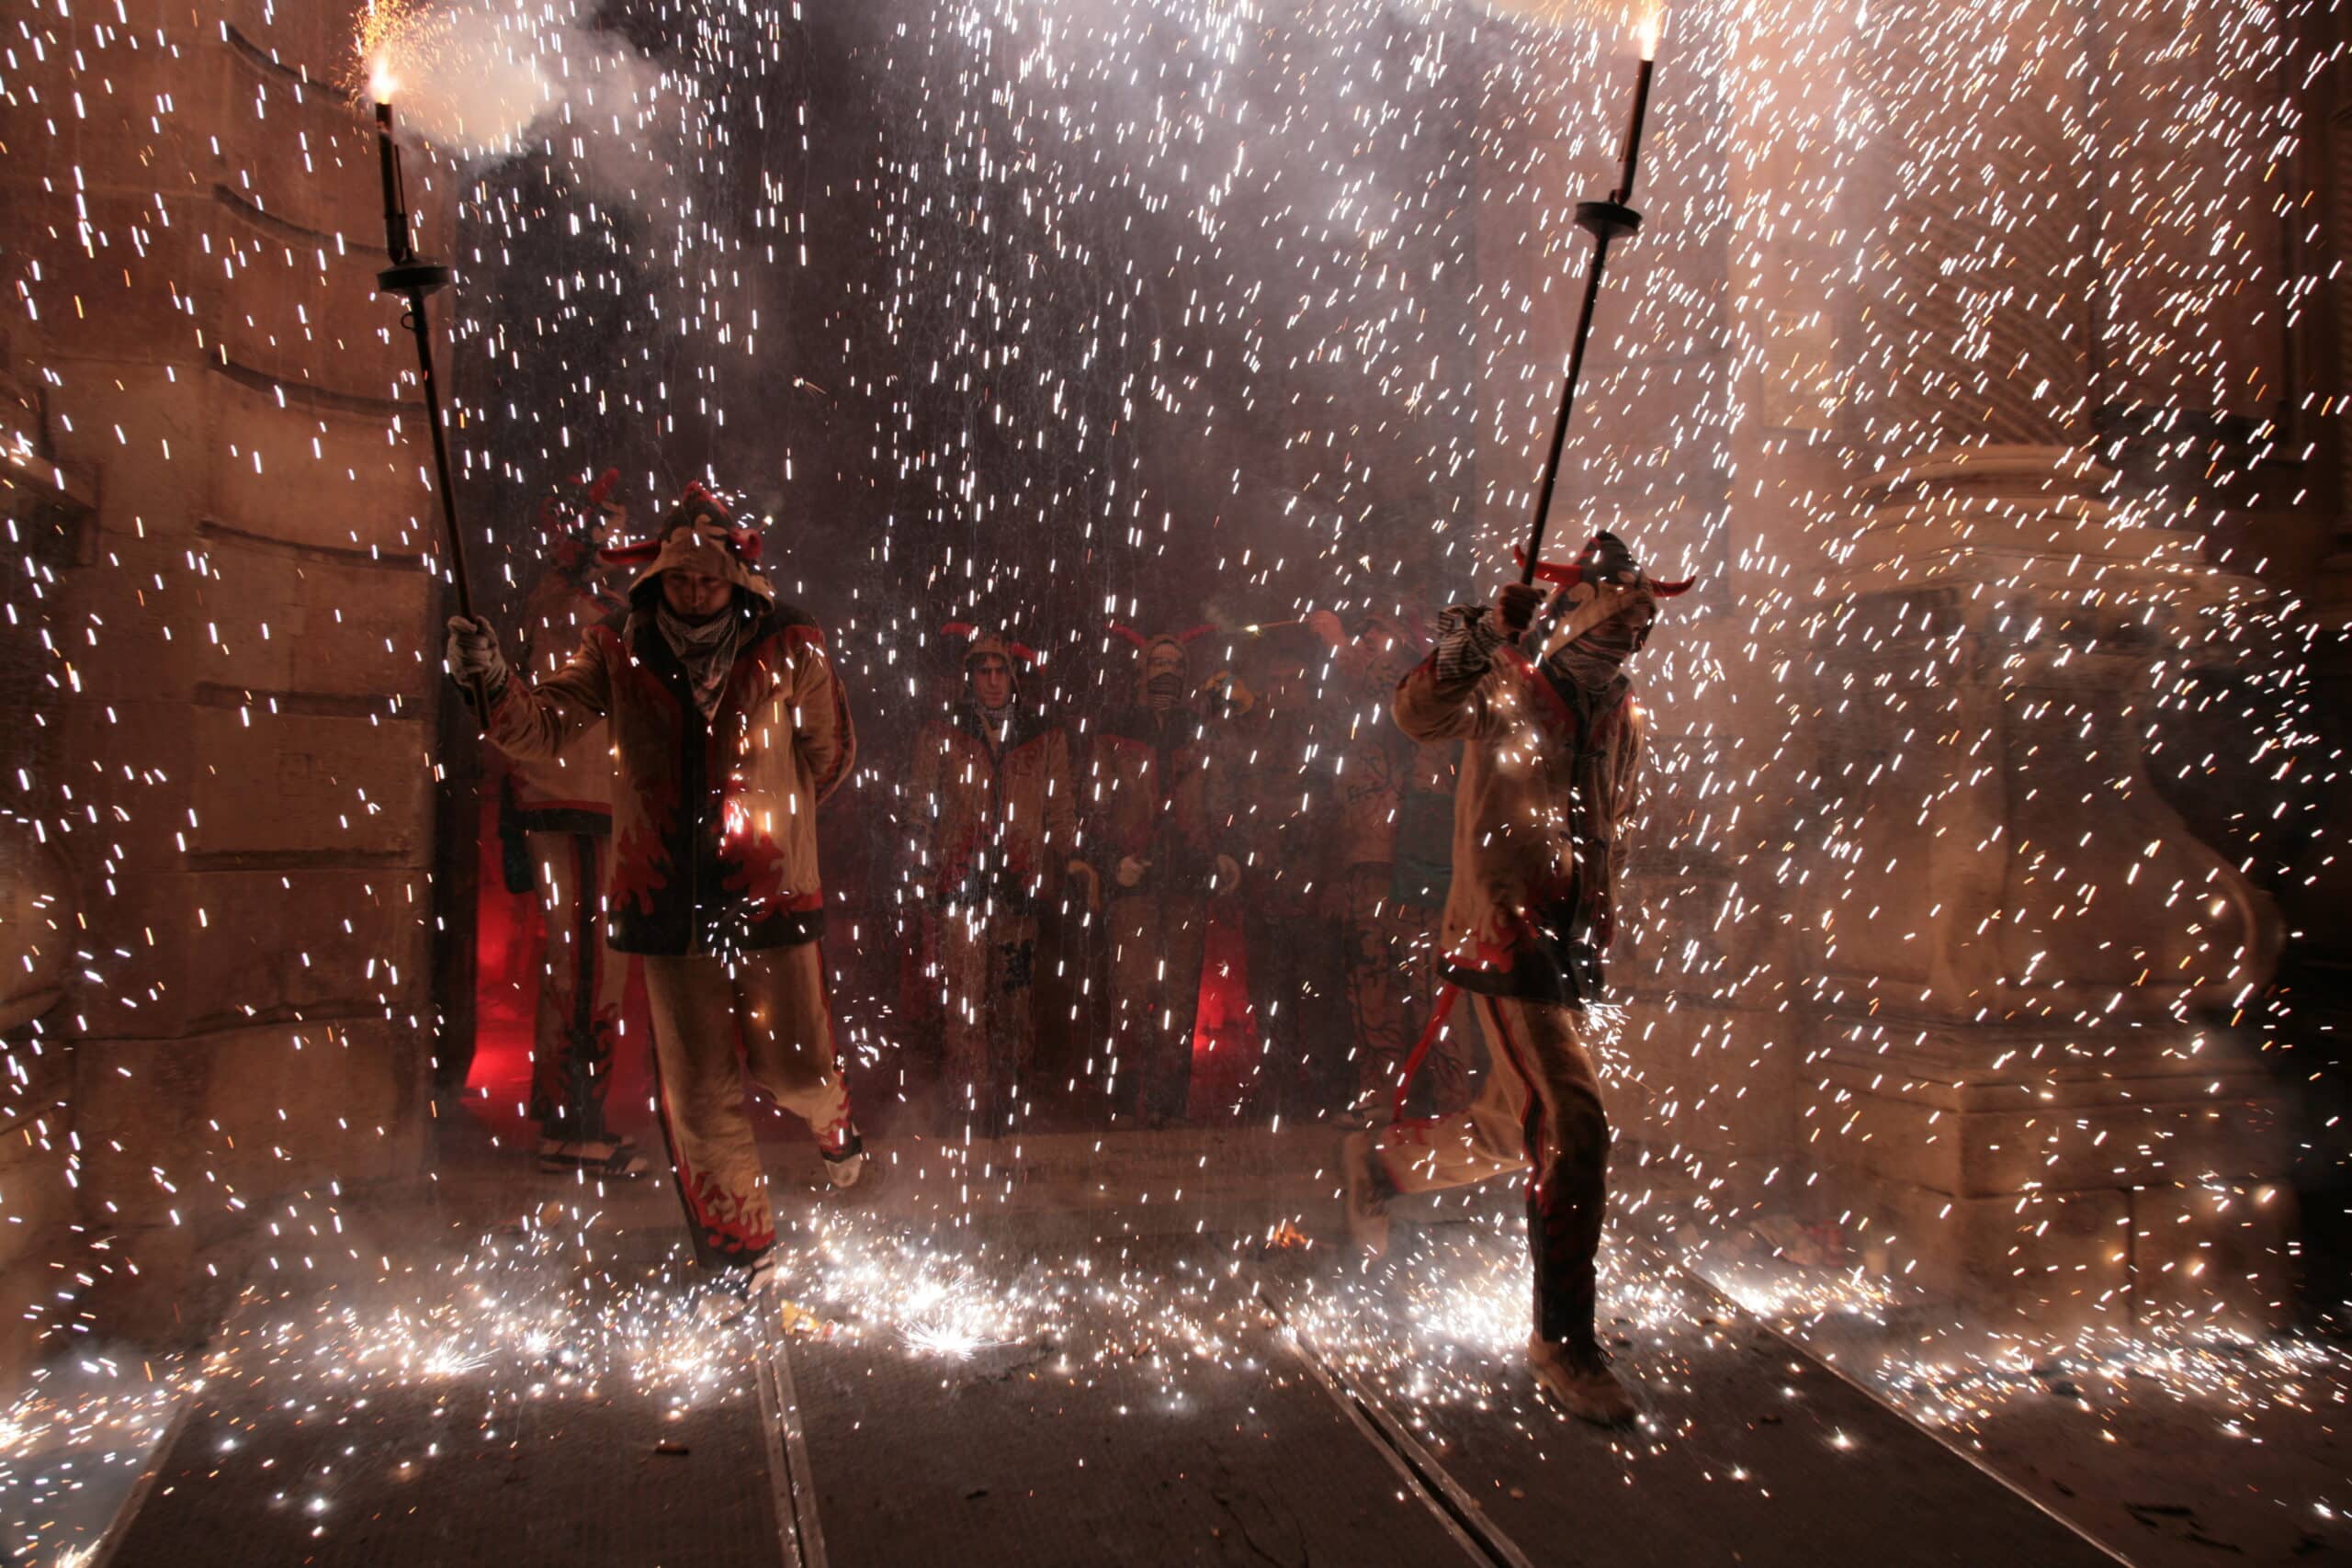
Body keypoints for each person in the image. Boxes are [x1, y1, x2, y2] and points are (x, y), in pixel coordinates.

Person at [445, 483, 866, 1295]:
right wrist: (492, 678)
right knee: (700, 1091)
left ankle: (833, 1122)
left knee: (799, 1072)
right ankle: (745, 1252)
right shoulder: (616, 645)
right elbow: (542, 726)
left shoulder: (792, 639)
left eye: (711, 580)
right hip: (665, 899)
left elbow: (830, 751)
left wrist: (784, 824)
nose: (698, 593)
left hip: (769, 895)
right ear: (655, 581)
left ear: (740, 580)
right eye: (682, 581)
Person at [1340, 531, 1690, 1425]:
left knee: (1513, 1128)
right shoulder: (1502, 687)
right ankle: (1562, 1342)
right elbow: (1417, 713)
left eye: (1634, 638)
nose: (1622, 651)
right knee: (1573, 1124)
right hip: (1502, 942)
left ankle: (1383, 1168)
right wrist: (1478, 637)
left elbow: (1611, 825)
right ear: (1569, 625)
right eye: (1608, 633)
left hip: (1569, 952)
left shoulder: (1625, 719)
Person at [495, 471, 645, 1177]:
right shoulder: (565, 604)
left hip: (591, 800)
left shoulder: (585, 603)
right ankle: (573, 1119)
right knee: (587, 965)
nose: (614, 540)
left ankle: (566, 1113)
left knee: (587, 962)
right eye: (604, 526)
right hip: (573, 799)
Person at [908, 624, 1089, 1132]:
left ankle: (1012, 1108)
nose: (991, 681)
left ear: (1013, 677)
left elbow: (1061, 811)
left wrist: (1067, 862)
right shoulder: (943, 730)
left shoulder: (1042, 735)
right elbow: (920, 805)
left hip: (1018, 888)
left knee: (1014, 1004)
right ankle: (970, 1110)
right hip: (961, 886)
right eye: (982, 672)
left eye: (999, 671)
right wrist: (923, 867)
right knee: (964, 1005)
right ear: (970, 678)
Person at [1093, 622, 1236, 1126]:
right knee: (1131, 992)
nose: (1167, 674)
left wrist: (1222, 852)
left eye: (1176, 666)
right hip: (1135, 881)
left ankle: (1167, 1102)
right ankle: (1126, 1094)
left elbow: (1219, 800)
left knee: (1178, 994)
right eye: (1159, 664)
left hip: (1186, 880)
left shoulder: (1199, 732)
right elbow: (1097, 804)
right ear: (1141, 670)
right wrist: (1112, 862)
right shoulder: (1115, 731)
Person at [1218, 621, 1349, 1119]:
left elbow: (1337, 810)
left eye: (1290, 679)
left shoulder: (1324, 733)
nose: (1281, 688)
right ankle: (1277, 1086)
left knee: (1318, 994)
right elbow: (1233, 802)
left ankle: (1329, 1090)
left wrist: (1334, 879)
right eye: (1274, 680)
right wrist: (1241, 861)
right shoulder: (1249, 735)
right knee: (1270, 997)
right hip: (1265, 887)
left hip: (1312, 888)